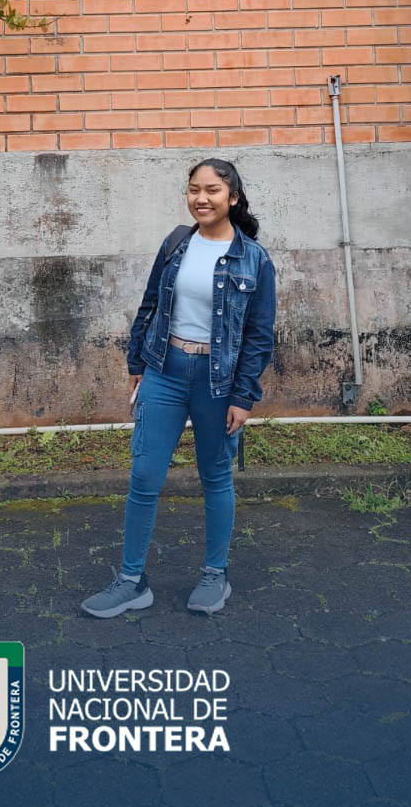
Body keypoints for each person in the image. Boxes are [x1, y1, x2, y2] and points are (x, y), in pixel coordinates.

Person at [81, 158, 276, 618]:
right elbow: (150, 304)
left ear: (232, 197)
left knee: (215, 476)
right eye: (193, 189)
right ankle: (131, 581)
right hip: (164, 371)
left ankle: (214, 574)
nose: (201, 198)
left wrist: (244, 396)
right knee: (145, 476)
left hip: (218, 381)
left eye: (211, 190)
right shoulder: (175, 244)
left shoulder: (255, 258)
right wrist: (137, 362)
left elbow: (259, 335)